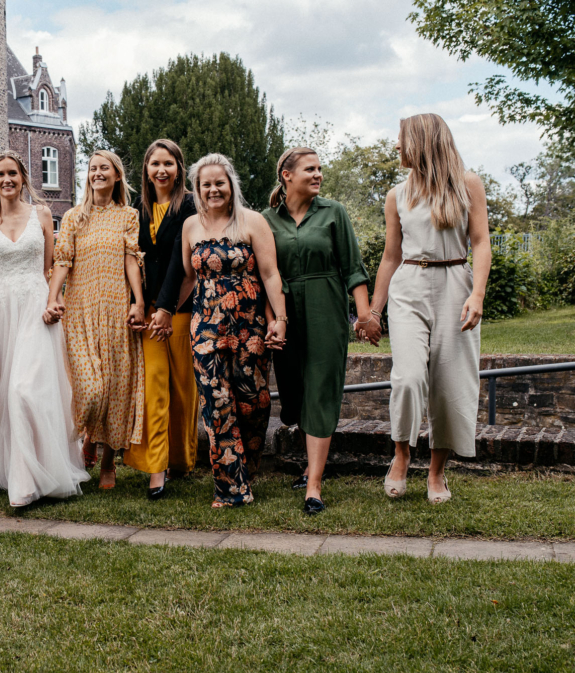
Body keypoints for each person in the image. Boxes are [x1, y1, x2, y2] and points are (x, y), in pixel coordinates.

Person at [358, 113, 490, 504]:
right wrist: (373, 313)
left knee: (451, 385)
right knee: (408, 378)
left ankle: (437, 473)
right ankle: (401, 455)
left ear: (421, 140)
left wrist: (477, 293)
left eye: (400, 139)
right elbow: (390, 256)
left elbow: (480, 243)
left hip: (455, 282)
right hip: (409, 286)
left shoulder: (468, 184)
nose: (396, 147)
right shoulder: (397, 194)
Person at [0, 151, 89, 507]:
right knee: (4, 392)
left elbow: (53, 267)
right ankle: (11, 468)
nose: (6, 180)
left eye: (12, 173)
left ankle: (28, 479)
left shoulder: (41, 215)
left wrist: (55, 301)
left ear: (23, 177)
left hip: (38, 307)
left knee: (25, 389)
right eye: (0, 175)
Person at [262, 147, 372, 515]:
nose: (318, 174)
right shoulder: (266, 220)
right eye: (310, 169)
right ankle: (310, 464)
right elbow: (263, 275)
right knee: (293, 395)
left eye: (320, 169)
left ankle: (314, 484)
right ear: (287, 175)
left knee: (322, 389)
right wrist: (272, 318)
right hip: (285, 310)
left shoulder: (334, 212)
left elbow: (353, 268)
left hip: (326, 306)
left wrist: (364, 316)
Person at [180, 154, 287, 507]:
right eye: (206, 184)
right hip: (206, 329)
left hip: (249, 327)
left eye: (219, 183)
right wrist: (162, 312)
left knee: (253, 404)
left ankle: (248, 471)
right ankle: (230, 488)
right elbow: (189, 276)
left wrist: (279, 320)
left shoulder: (252, 222)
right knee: (216, 404)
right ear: (197, 189)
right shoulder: (191, 227)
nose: (213, 190)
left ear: (231, 186)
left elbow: (270, 274)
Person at [44, 150, 146, 490]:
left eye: (105, 168)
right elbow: (63, 260)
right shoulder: (74, 217)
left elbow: (132, 260)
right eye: (93, 168)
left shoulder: (129, 216)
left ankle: (107, 462)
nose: (97, 173)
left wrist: (139, 302)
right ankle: (87, 436)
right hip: (80, 310)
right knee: (90, 388)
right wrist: (52, 298)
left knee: (116, 388)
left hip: (117, 308)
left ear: (117, 176)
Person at [123, 140, 199, 499]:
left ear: (179, 168)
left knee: (183, 390)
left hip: (181, 308)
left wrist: (166, 309)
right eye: (155, 163)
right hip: (149, 309)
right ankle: (157, 466)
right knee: (154, 388)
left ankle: (182, 458)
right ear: (146, 169)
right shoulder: (138, 208)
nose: (161, 170)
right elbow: (133, 260)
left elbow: (181, 265)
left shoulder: (189, 207)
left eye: (168, 163)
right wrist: (139, 305)